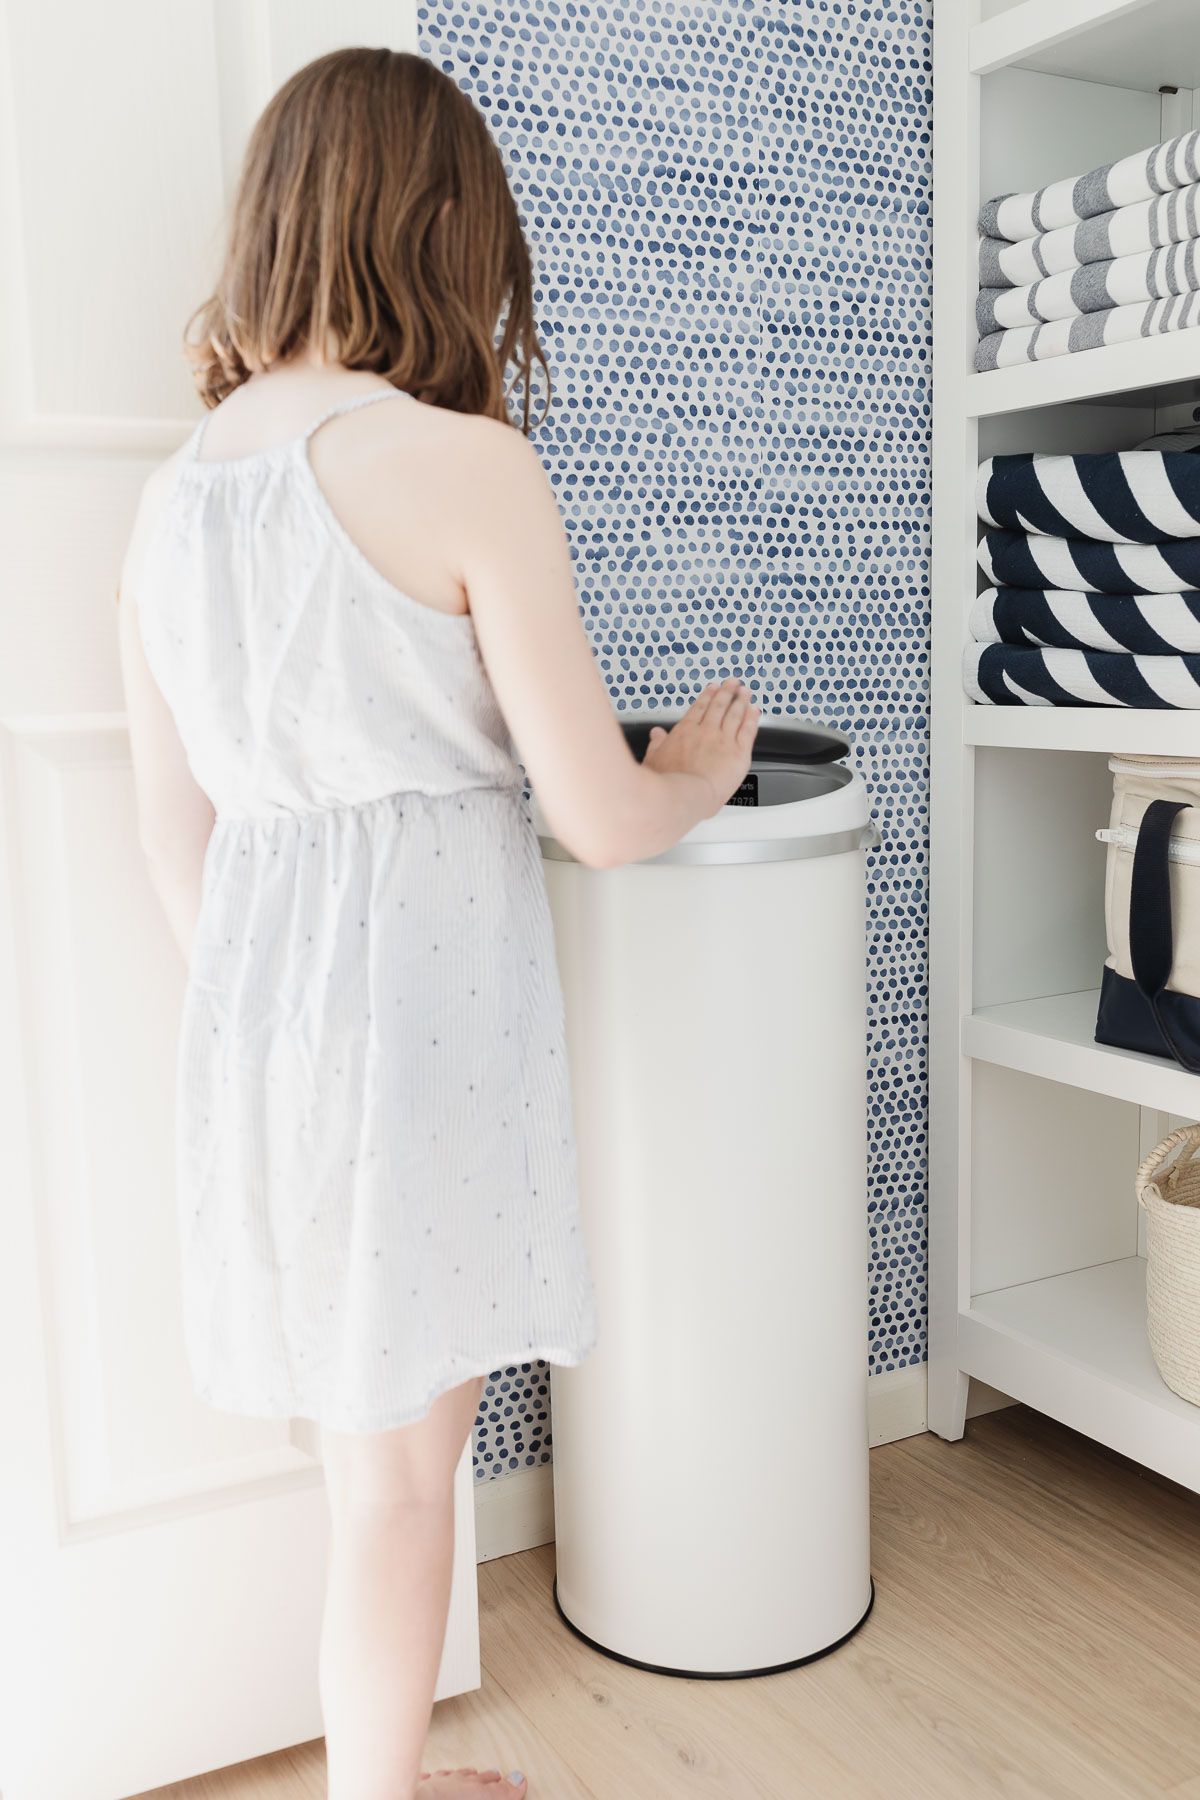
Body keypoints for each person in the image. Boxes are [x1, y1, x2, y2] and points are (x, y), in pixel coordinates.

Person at [115, 45, 759, 1800]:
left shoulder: (171, 508)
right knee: (414, 1482)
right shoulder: (465, 468)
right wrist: (699, 769)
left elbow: (174, 841)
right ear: (443, 234)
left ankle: (380, 1773)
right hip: (426, 1033)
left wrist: (273, 1030)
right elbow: (604, 820)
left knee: (361, 1472)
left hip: (258, 1042)